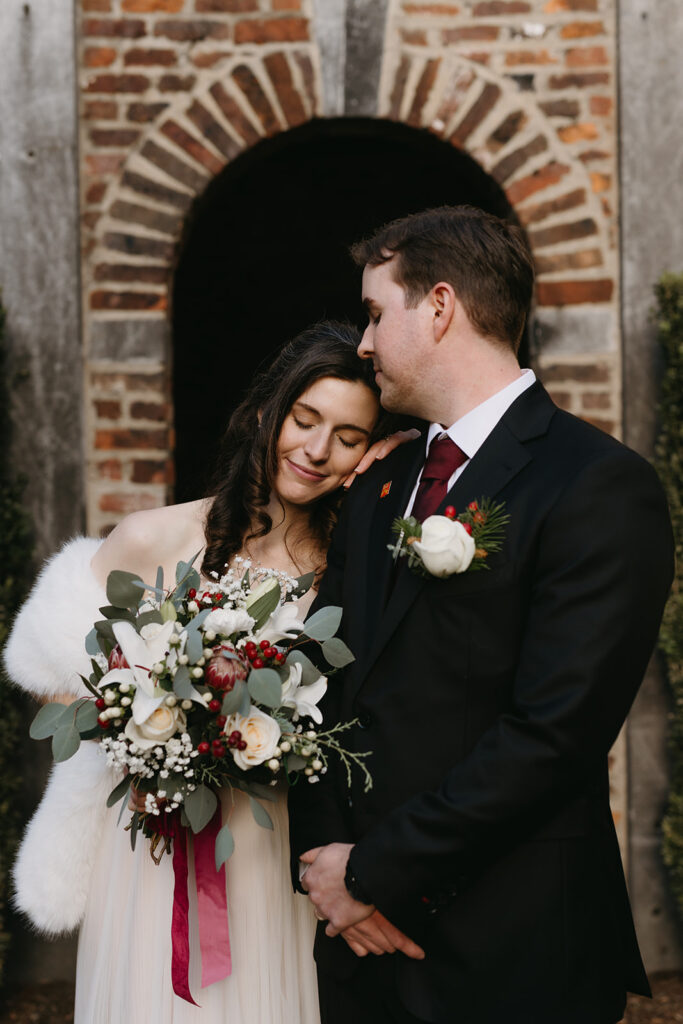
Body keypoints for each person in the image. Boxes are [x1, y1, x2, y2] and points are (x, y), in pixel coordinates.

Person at [289, 206, 675, 1024]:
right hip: (358, 951)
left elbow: (554, 731)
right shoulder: (382, 483)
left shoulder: (596, 485)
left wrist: (373, 872)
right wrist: (324, 870)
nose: (362, 345)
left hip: (514, 945)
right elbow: (321, 685)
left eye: (372, 313)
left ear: (437, 307)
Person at [6, 321, 418, 1024]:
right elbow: (51, 674)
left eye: (348, 437)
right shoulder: (153, 537)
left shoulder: (351, 573)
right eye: (304, 419)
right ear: (266, 412)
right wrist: (147, 740)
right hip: (152, 847)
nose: (316, 451)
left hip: (273, 844)